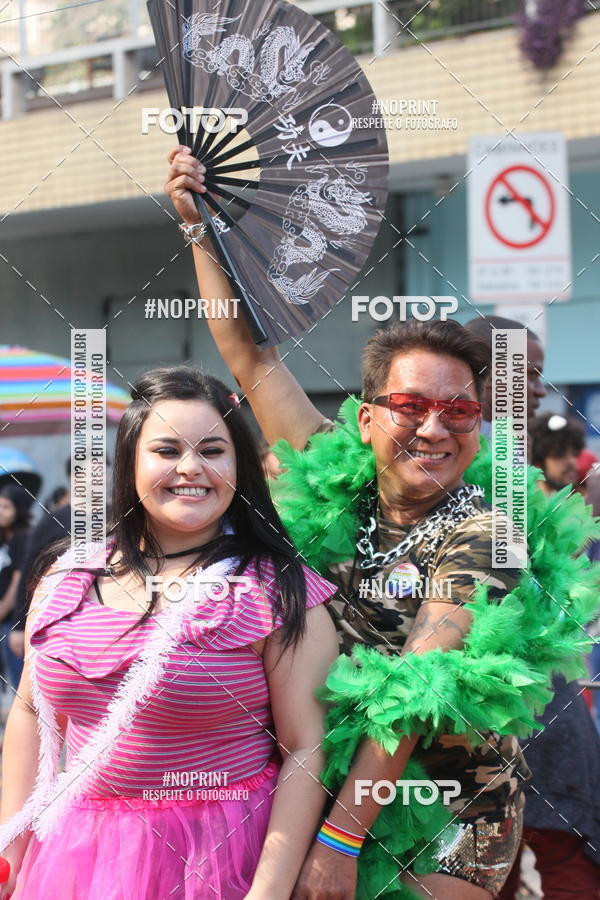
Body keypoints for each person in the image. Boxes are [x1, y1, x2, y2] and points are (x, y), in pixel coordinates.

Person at [165, 146, 599, 899]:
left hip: (454, 809)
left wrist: (338, 841)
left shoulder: (490, 529)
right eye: (410, 408)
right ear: (365, 420)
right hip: (329, 777)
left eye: (458, 411)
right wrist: (197, 227)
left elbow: (419, 678)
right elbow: (249, 355)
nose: (434, 428)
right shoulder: (338, 475)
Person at [0, 367, 338, 900]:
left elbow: (305, 747)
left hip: (222, 854)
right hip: (74, 856)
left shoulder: (276, 590)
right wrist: (12, 845)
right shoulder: (67, 576)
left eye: (212, 450)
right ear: (130, 462)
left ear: (239, 465)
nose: (190, 468)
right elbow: (27, 713)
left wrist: (267, 891)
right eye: (165, 450)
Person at [464, 315, 547, 439]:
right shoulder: (460, 448)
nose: (542, 391)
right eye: (531, 375)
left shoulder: (507, 442)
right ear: (490, 376)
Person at [0, 485, 32, 690]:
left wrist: (3, 608)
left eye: (6, 507)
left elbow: (18, 579)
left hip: (12, 620)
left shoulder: (24, 538)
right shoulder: (5, 539)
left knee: (16, 674)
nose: (0, 512)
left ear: (18, 510)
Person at [529, 413, 585, 494]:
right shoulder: (521, 504)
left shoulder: (587, 500)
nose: (572, 462)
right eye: (560, 455)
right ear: (537, 463)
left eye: (575, 454)